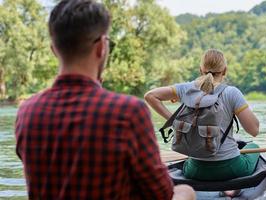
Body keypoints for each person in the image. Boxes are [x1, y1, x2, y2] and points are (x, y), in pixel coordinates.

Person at [15, 1, 196, 199]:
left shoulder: (27, 112)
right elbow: (161, 194)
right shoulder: (128, 112)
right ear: (102, 47)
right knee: (185, 191)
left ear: (53, 49)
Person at [144, 49, 260, 197]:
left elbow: (150, 96)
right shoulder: (232, 93)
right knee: (254, 147)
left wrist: (174, 121)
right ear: (224, 70)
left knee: (190, 160)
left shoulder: (186, 89)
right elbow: (254, 130)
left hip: (195, 170)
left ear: (201, 70)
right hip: (231, 168)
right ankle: (232, 188)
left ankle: (223, 187)